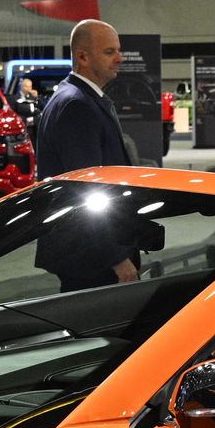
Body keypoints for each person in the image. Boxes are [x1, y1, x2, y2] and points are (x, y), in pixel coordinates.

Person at [34, 19, 138, 290]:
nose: (119, 58)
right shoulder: (76, 106)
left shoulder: (77, 98)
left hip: (87, 250)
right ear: (82, 56)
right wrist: (116, 258)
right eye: (109, 52)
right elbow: (85, 191)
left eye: (118, 50)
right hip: (91, 256)